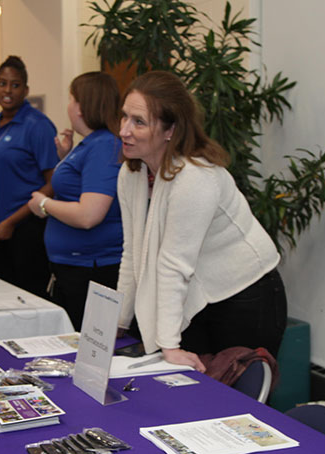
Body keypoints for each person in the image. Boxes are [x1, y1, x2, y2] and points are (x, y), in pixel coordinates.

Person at [115, 71, 287, 373]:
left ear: (170, 130)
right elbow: (132, 255)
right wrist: (116, 322)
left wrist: (168, 346)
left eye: (138, 121)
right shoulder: (131, 174)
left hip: (245, 294)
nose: (124, 130)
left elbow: (173, 263)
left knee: (236, 398)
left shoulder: (195, 177)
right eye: (124, 117)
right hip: (197, 295)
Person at [27, 72, 123, 331]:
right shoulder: (89, 145)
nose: (68, 106)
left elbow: (89, 215)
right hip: (75, 266)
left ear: (81, 106)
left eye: (71, 99)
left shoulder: (104, 145)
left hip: (91, 269)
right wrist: (65, 156)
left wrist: (44, 204)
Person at [0, 55, 58, 298]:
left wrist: (12, 222)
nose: (7, 90)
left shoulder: (37, 125)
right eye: (2, 83)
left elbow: (53, 183)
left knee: (29, 301)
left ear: (26, 90)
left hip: (26, 231)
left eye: (15, 84)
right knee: (2, 300)